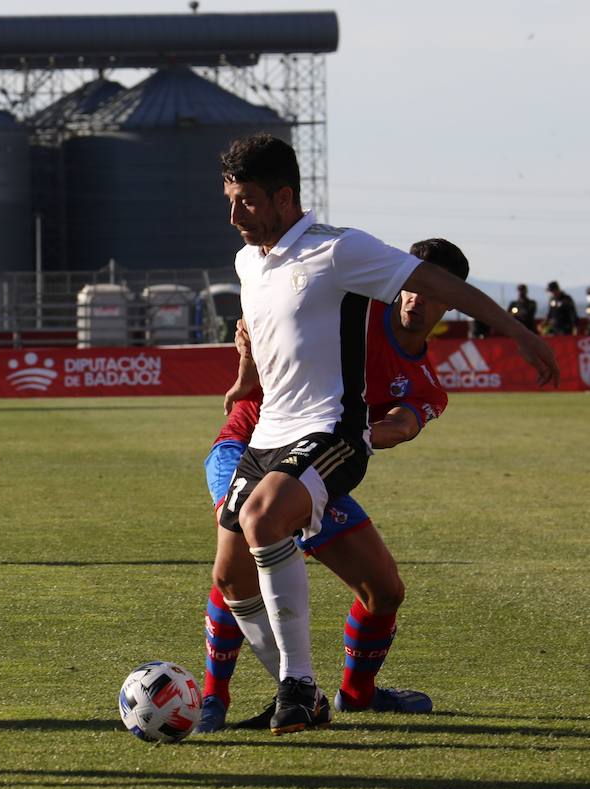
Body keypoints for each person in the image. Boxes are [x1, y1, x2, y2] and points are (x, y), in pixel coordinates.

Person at [215, 134, 555, 735]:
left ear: (284, 197)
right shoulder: (249, 262)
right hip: (266, 434)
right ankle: (303, 697)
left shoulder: (339, 249)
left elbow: (438, 281)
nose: (234, 215)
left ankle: (299, 686)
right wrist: (245, 376)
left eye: (245, 202)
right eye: (230, 200)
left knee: (265, 518)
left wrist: (518, 332)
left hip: (330, 431)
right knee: (230, 577)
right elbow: (261, 330)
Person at [197, 238, 465, 733]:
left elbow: (401, 426)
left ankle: (355, 697)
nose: (414, 298)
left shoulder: (425, 382)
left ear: (450, 300)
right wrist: (247, 355)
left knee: (384, 591)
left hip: (319, 460)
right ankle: (214, 699)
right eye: (409, 286)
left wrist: (356, 433)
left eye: (428, 291)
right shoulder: (355, 311)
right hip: (246, 442)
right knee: (238, 555)